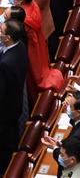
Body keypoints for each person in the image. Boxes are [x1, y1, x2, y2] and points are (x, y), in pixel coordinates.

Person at [0, 19, 28, 172]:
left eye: (1, 31)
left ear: (8, 38)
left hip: (6, 109)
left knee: (5, 140)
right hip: (16, 102)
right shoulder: (20, 46)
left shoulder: (6, 63)